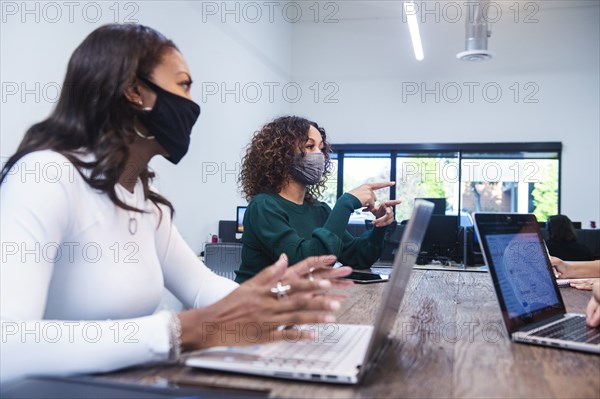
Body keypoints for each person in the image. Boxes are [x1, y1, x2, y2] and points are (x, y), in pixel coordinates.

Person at [0, 24, 353, 383]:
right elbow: (7, 345)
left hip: (130, 385)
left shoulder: (144, 203)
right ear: (135, 91)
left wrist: (277, 302)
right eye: (183, 85)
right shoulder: (44, 176)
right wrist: (177, 331)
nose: (191, 105)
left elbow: (202, 287)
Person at [235, 116, 401, 283]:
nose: (319, 155)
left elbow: (358, 257)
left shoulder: (319, 209)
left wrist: (380, 226)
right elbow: (306, 263)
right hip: (258, 305)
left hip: (297, 303)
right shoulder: (263, 206)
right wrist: (346, 203)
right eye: (309, 146)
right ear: (282, 155)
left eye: (321, 148)